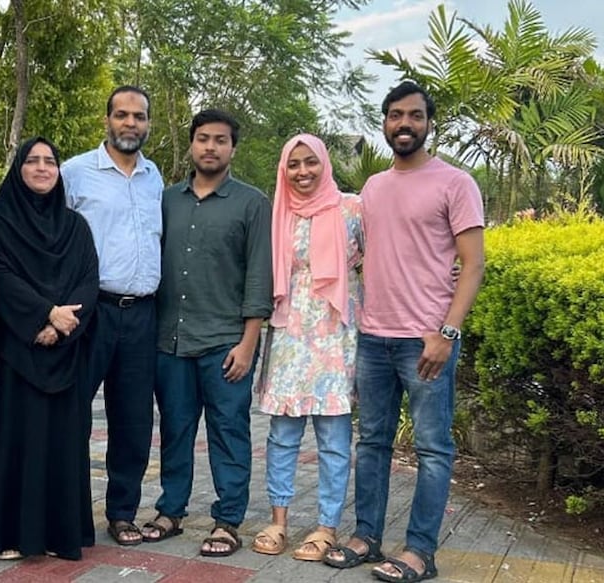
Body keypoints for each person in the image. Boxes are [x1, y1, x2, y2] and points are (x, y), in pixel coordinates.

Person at [324, 81, 485, 583]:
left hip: (426, 341)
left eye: (414, 115)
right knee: (372, 442)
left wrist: (447, 333)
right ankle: (366, 536)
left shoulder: (456, 183)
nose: (404, 124)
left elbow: (474, 264)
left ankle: (420, 551)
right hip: (374, 337)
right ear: (385, 122)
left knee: (434, 448)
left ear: (429, 123)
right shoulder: (373, 187)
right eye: (395, 115)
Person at [139, 109, 272, 557]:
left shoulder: (252, 203)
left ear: (233, 148)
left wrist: (248, 343)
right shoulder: (166, 199)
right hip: (170, 341)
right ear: (191, 144)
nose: (210, 147)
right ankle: (171, 510)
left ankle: (228, 520)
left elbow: (259, 276)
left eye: (220, 140)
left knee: (228, 431)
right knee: (174, 429)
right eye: (202, 139)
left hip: (224, 344)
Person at [0, 137, 100, 560]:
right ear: (18, 168)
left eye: (50, 161)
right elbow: (0, 274)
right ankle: (8, 534)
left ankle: (56, 532)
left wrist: (62, 326)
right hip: (16, 351)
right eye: (33, 161)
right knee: (14, 441)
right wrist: (44, 315)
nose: (43, 168)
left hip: (66, 351)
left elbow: (88, 279)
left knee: (63, 443)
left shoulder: (75, 226)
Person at [250, 134, 363, 561]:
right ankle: (278, 521)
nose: (302, 172)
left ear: (324, 164)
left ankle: (326, 527)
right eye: (293, 164)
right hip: (289, 335)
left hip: (336, 336)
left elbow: (380, 261)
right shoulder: (279, 213)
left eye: (310, 162)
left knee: (333, 439)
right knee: (281, 437)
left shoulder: (351, 208)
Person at [61, 86, 164, 546]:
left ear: (147, 123)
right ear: (107, 119)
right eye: (121, 115)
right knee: (72, 415)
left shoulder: (154, 176)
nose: (130, 123)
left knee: (134, 420)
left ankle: (122, 512)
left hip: (142, 315)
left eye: (138, 116)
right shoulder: (74, 173)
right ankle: (67, 513)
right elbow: (50, 240)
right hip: (90, 313)